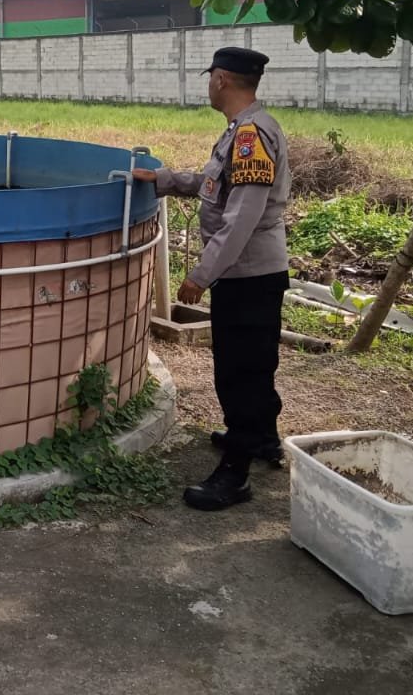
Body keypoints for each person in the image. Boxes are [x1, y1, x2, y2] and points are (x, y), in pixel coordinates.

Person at [132, 46, 291, 511]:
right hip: (249, 274)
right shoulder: (243, 131)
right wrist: (164, 179)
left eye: (210, 78)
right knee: (254, 364)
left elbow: (240, 219)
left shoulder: (251, 137)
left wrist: (201, 275)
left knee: (240, 372)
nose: (208, 86)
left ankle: (234, 474)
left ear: (221, 80)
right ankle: (263, 439)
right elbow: (213, 185)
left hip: (247, 275)